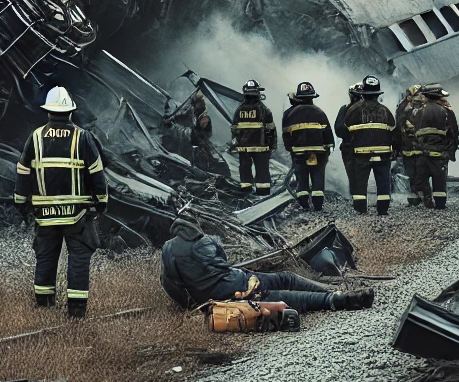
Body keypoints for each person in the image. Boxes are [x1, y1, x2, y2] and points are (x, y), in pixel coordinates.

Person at [14, 87, 109, 317]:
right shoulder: (83, 137)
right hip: (77, 215)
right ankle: (76, 312)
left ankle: (44, 308)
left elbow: (22, 173)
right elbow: (97, 174)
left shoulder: (35, 137)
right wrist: (102, 202)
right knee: (78, 260)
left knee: (45, 258)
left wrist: (22, 205)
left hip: (44, 215)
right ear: (70, 112)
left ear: (48, 112)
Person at [159, 218, 373, 313]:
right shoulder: (206, 240)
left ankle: (333, 297)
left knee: (278, 291)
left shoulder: (167, 249)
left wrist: (190, 304)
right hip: (235, 283)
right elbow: (223, 263)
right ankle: (334, 297)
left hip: (211, 294)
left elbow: (170, 284)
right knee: (282, 284)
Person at [337, 76, 396, 215]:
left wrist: (353, 141)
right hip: (382, 153)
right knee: (383, 181)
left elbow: (343, 129)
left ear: (362, 93)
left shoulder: (353, 110)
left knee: (360, 181)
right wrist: (394, 148)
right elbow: (394, 131)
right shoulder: (385, 110)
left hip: (361, 153)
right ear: (378, 94)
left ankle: (360, 208)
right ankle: (383, 209)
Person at [403, 84, 459, 208]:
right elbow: (453, 134)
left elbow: (409, 131)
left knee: (421, 178)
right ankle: (440, 204)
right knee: (439, 180)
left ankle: (426, 201)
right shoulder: (447, 112)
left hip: (421, 153)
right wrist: (451, 151)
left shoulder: (416, 112)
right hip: (440, 154)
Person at [282, 82, 335, 210]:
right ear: (312, 97)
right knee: (318, 176)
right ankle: (318, 205)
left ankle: (304, 203)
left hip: (299, 153)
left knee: (302, 177)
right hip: (318, 152)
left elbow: (286, 135)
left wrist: (291, 149)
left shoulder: (289, 114)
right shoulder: (320, 112)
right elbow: (327, 133)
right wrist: (328, 148)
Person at [231, 80, 277, 197]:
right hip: (261, 146)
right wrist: (272, 145)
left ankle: (246, 189)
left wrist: (236, 143)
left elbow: (234, 128)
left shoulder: (239, 110)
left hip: (244, 147)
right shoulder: (263, 109)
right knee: (262, 169)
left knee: (245, 167)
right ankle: (263, 192)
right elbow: (270, 129)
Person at [396, 84, 426, 206]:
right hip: (410, 146)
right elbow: (398, 127)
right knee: (412, 173)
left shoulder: (424, 108)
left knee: (419, 172)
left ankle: (418, 196)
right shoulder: (404, 108)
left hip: (417, 146)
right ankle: (415, 196)